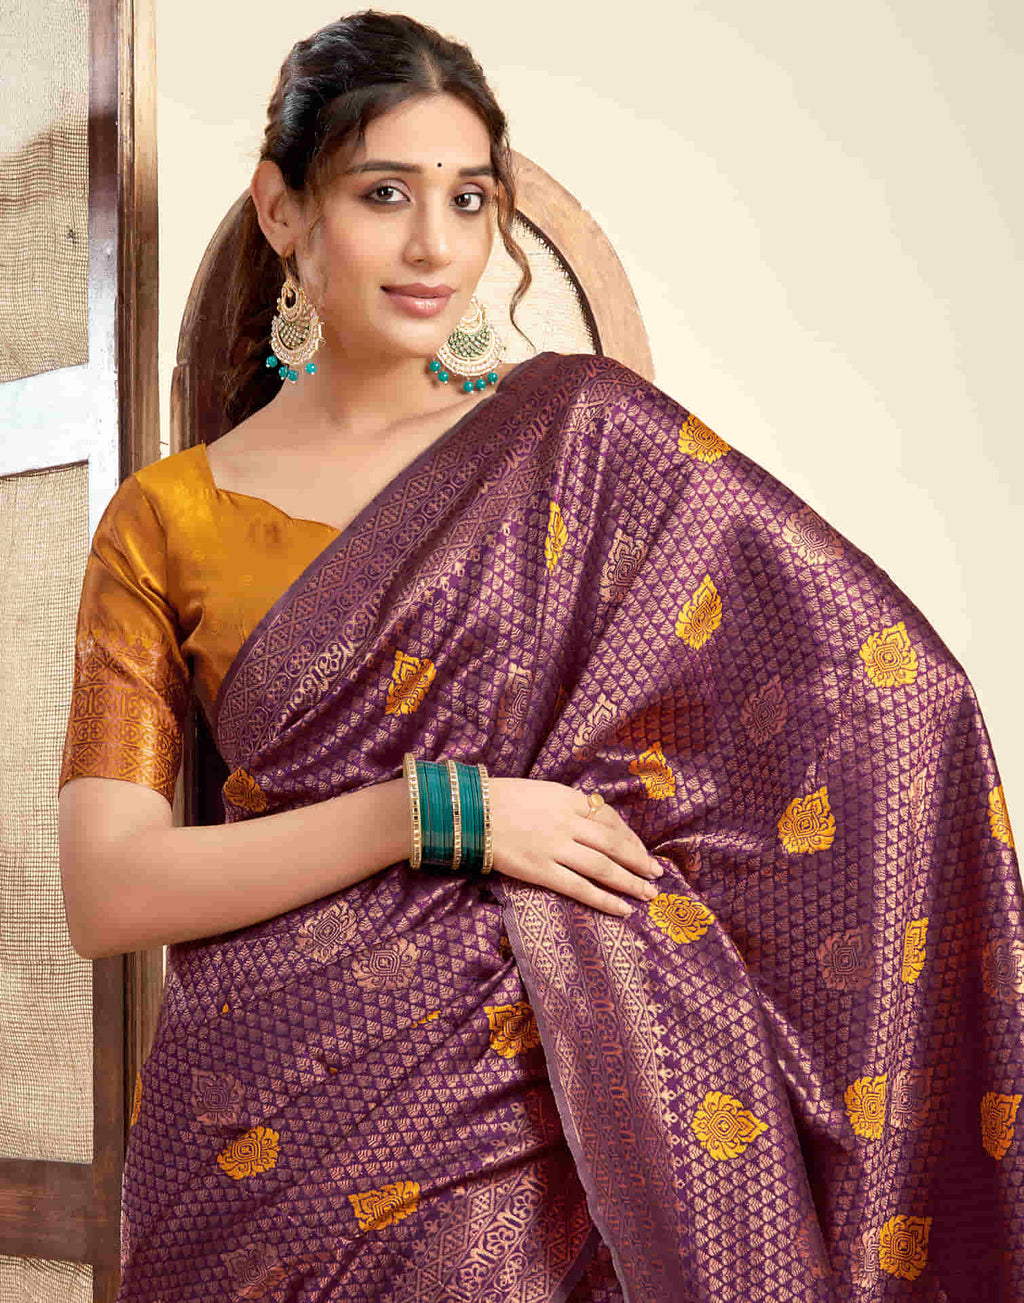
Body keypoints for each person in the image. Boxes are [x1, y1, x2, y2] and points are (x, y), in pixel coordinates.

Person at [56, 11, 1023, 1301]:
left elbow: (891, 699)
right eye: (383, 193)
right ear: (283, 211)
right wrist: (435, 814)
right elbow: (110, 892)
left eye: (468, 199)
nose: (434, 246)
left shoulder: (584, 441)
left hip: (514, 1114)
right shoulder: (169, 518)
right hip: (246, 1132)